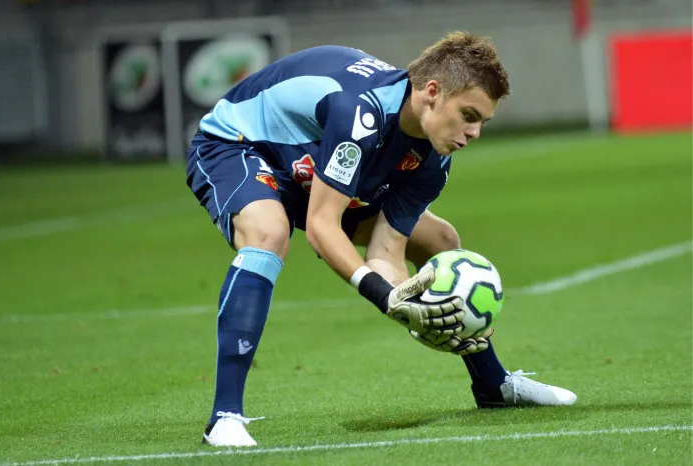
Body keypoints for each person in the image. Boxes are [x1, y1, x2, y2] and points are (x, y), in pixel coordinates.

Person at [186, 31, 576, 448]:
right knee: (269, 232)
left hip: (310, 163)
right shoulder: (361, 112)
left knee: (440, 238)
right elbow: (321, 227)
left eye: (482, 120)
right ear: (431, 93)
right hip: (240, 146)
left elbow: (386, 250)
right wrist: (383, 296)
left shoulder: (433, 161)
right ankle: (224, 416)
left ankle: (493, 385)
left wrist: (406, 303)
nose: (475, 131)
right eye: (468, 114)